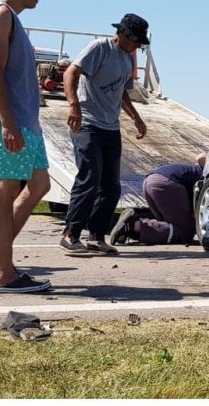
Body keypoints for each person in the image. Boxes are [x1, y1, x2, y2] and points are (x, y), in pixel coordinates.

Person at [0, 0, 53, 292]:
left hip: (28, 122)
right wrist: (8, 124)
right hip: (12, 120)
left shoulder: (14, 20)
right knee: (6, 188)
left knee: (40, 186)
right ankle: (4, 275)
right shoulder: (0, 14)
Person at [59, 13, 149, 256]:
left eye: (139, 43)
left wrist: (136, 118)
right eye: (134, 41)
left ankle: (96, 237)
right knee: (89, 178)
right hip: (87, 123)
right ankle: (70, 234)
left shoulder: (127, 59)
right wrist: (73, 105)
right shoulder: (100, 48)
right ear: (121, 34)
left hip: (111, 127)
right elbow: (70, 73)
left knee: (111, 186)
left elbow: (122, 92)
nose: (136, 46)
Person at [109, 153, 206, 245]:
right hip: (167, 183)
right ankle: (134, 225)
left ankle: (129, 230)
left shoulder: (199, 171)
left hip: (150, 180)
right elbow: (201, 157)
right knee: (185, 232)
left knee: (168, 225)